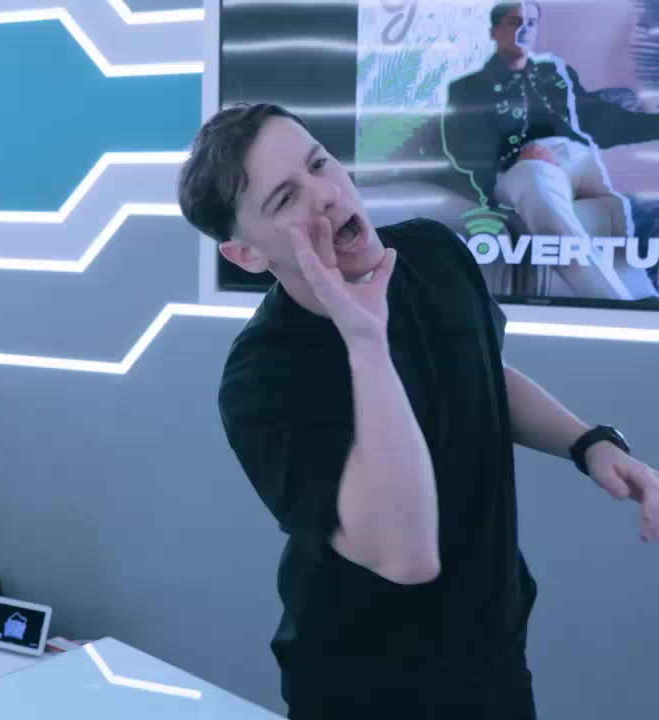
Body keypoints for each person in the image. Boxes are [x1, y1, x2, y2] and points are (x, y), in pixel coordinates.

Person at [177, 102, 659, 719]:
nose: (326, 194)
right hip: (366, 688)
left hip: (495, 656)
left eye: (319, 164)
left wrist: (588, 444)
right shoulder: (260, 380)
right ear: (247, 254)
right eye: (285, 198)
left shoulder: (432, 251)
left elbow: (480, 373)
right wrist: (366, 340)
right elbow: (407, 556)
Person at [443, 0, 659, 300]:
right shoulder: (468, 87)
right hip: (521, 165)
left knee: (633, 185)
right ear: (494, 31)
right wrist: (515, 156)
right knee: (539, 183)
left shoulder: (554, 73)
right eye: (515, 22)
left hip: (575, 155)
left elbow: (600, 119)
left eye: (531, 23)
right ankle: (614, 303)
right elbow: (462, 147)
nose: (525, 30)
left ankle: (646, 295)